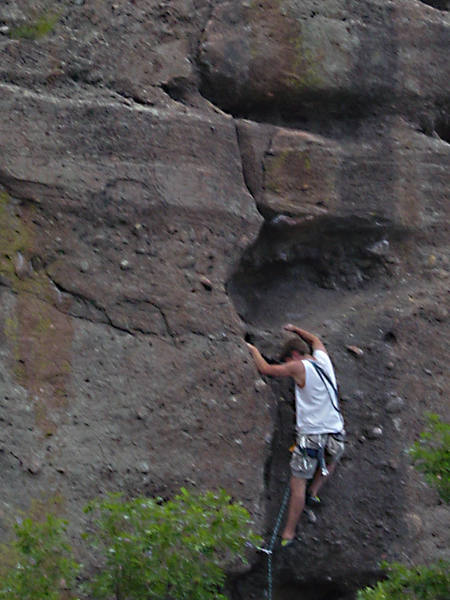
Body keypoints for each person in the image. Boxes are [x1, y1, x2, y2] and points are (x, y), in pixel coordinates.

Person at [246, 324, 345, 546]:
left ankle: (288, 532)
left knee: (296, 484)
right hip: (336, 430)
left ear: (294, 355)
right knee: (333, 458)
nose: (288, 365)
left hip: (312, 435)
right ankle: (315, 491)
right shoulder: (323, 360)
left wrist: (252, 349)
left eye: (287, 360)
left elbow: (266, 369)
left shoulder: (298, 367)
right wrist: (296, 329)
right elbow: (316, 339)